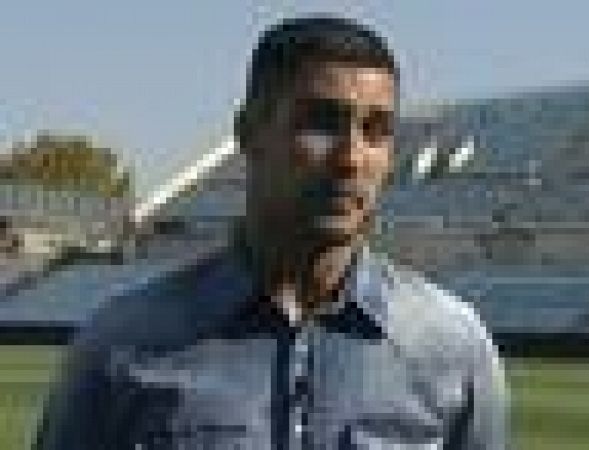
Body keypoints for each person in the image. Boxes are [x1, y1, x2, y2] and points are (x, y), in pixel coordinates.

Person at [34, 15, 507, 449]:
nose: (351, 158)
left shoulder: (453, 346)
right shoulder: (123, 341)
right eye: (322, 123)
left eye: (376, 130)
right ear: (249, 133)